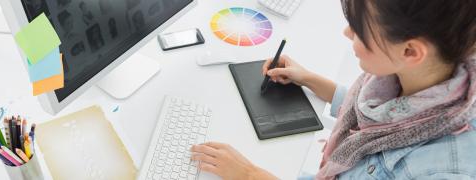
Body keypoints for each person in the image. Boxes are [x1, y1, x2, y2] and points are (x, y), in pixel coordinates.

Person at [190, 0, 476, 179]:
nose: (347, 33)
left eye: (359, 29)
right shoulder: (430, 77)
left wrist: (249, 175)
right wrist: (310, 79)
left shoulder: (441, 171)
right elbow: (382, 115)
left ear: (411, 51)